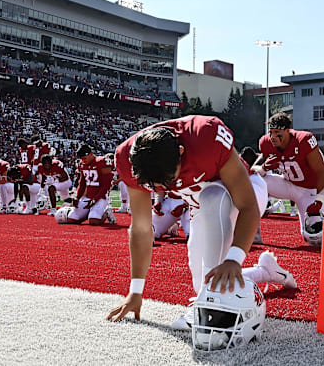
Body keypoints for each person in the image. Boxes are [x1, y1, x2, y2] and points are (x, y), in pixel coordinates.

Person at [107, 115, 296, 329]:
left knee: (213, 198)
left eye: (166, 181)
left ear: (181, 152)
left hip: (246, 193)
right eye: (152, 185)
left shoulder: (205, 136)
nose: (161, 188)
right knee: (206, 283)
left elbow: (248, 206)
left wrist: (235, 258)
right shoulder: (127, 157)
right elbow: (141, 228)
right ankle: (265, 272)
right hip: (201, 208)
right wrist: (135, 290)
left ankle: (211, 306)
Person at [253, 112, 324, 245]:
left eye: (277, 132)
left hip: (307, 191)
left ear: (287, 131)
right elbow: (256, 169)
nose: (273, 137)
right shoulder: (266, 142)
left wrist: (319, 200)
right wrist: (264, 167)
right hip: (285, 184)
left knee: (314, 238)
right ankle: (253, 234)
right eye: (271, 132)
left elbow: (323, 172)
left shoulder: (303, 140)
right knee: (252, 182)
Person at [61, 145, 116, 225]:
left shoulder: (102, 161)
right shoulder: (82, 164)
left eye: (84, 158)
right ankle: (90, 213)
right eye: (81, 159)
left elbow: (106, 184)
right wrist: (77, 198)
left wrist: (95, 199)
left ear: (90, 154)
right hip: (87, 197)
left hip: (101, 197)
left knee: (94, 221)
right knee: (71, 219)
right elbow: (82, 183)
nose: (83, 161)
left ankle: (106, 212)